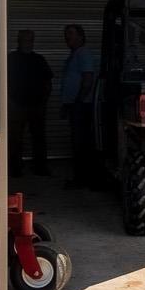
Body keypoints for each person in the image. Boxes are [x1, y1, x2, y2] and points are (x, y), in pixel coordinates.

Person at [60, 23, 102, 189]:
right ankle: (82, 178)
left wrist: (78, 101)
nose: (66, 37)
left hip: (82, 106)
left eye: (70, 33)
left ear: (81, 36)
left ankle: (84, 179)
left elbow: (88, 79)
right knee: (78, 142)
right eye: (66, 34)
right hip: (75, 105)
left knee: (81, 143)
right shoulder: (74, 55)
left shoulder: (83, 54)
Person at [6, 29, 52, 177]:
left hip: (36, 105)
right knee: (15, 138)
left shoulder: (39, 59)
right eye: (25, 40)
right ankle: (15, 169)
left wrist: (44, 100)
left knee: (38, 137)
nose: (28, 42)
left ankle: (40, 167)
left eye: (31, 40)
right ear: (19, 41)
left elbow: (48, 81)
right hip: (16, 105)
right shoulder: (11, 59)